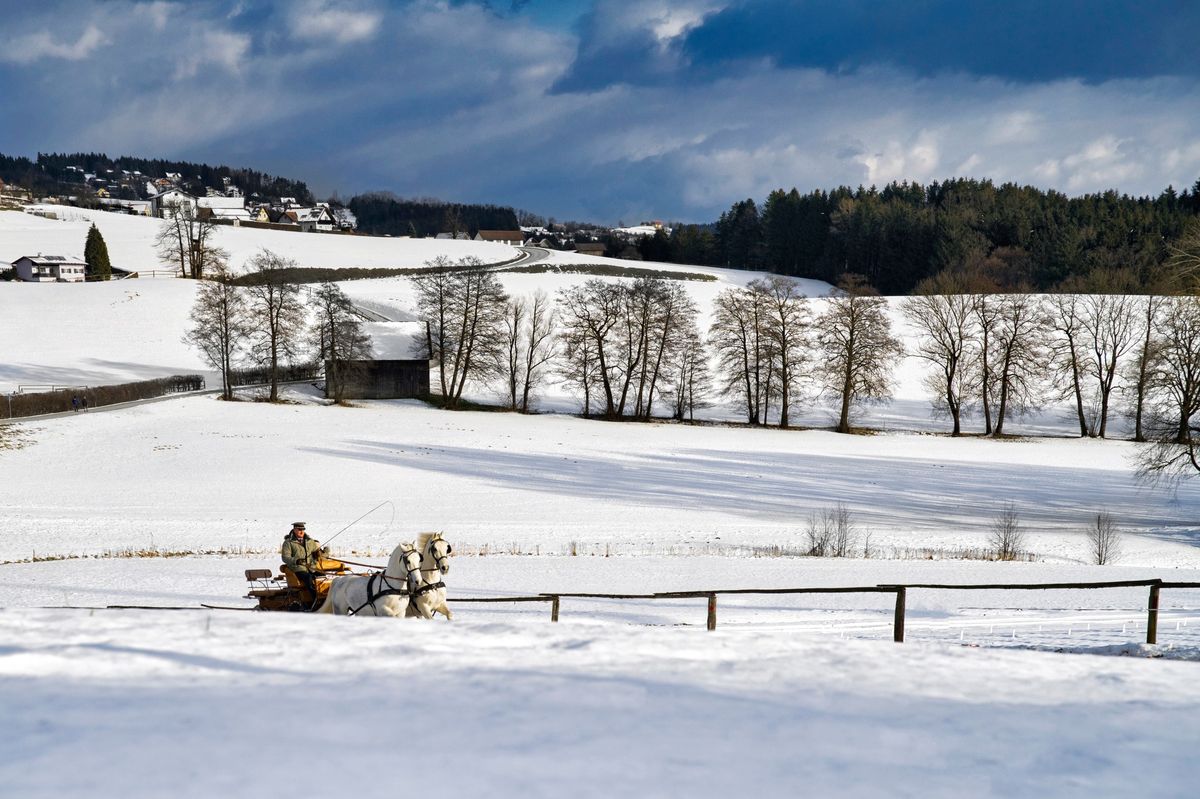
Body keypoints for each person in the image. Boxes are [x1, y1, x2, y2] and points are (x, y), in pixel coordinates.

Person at [280, 522, 326, 608]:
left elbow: (318, 554)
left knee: (323, 577)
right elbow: (285, 557)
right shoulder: (288, 543)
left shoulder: (310, 541)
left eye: (303, 529)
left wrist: (321, 553)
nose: (301, 531)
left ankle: (325, 598)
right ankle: (315, 601)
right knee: (309, 578)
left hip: (311, 568)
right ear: (294, 530)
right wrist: (296, 561)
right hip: (297, 569)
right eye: (299, 529)